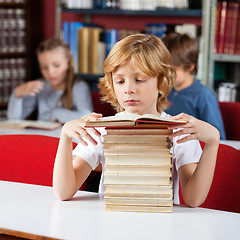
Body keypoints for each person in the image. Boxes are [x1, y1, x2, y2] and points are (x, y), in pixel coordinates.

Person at [53, 34, 220, 207]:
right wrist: (65, 137)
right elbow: (63, 192)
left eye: (139, 80)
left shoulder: (179, 132)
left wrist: (212, 142)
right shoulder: (103, 130)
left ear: (162, 83)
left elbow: (194, 199)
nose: (128, 89)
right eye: (120, 81)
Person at [7, 38, 93, 124]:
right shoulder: (40, 85)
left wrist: (56, 113)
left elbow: (87, 116)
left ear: (69, 64)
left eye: (56, 65)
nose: (50, 72)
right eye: (44, 67)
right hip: (42, 134)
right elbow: (13, 119)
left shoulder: (79, 87)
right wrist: (17, 94)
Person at [162, 32, 226, 140]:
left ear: (190, 67)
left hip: (192, 151)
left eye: (173, 69)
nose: (166, 74)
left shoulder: (203, 95)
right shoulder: (162, 90)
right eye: (164, 68)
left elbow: (218, 137)